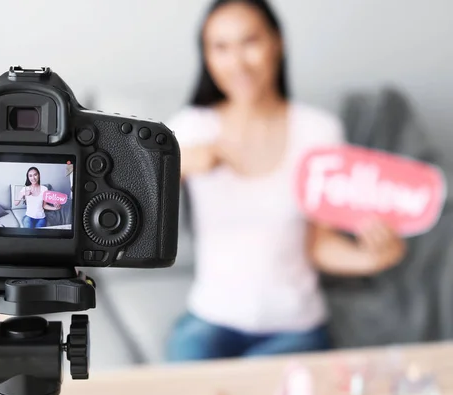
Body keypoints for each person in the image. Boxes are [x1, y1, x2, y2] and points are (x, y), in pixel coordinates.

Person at [166, 0, 407, 361]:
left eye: (250, 42)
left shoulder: (319, 131)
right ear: (206, 56)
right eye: (220, 47)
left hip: (295, 328)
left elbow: (318, 244)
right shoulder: (188, 128)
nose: (238, 62)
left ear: (278, 43)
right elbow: (132, 213)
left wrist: (372, 257)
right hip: (208, 323)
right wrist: (177, 166)